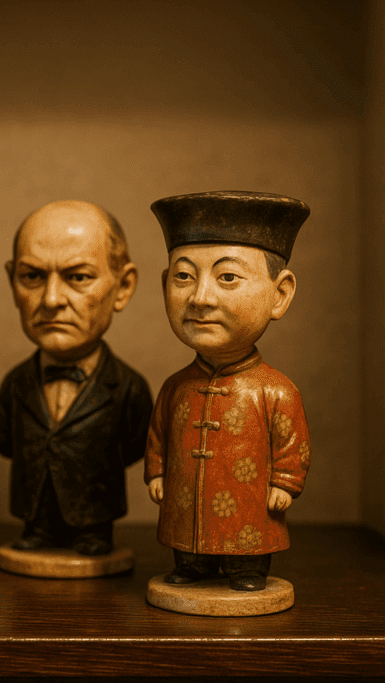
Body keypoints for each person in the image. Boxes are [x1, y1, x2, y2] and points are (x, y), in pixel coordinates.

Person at [145, 190, 311, 592]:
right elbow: (158, 436)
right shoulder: (175, 387)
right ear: (165, 284)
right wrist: (157, 472)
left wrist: (285, 483)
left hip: (250, 503)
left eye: (228, 278)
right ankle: (192, 564)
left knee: (247, 537)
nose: (200, 298)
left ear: (280, 294)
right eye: (184, 277)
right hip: (185, 499)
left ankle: (247, 568)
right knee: (188, 537)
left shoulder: (276, 391)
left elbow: (293, 443)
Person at [0, 201, 152, 556]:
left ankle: (92, 532)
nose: (51, 300)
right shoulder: (16, 384)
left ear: (123, 286)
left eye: (78, 277)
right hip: (32, 507)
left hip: (97, 509)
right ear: (12, 281)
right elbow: (4, 441)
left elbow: (137, 446)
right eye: (32, 276)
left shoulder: (129, 387)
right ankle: (40, 529)